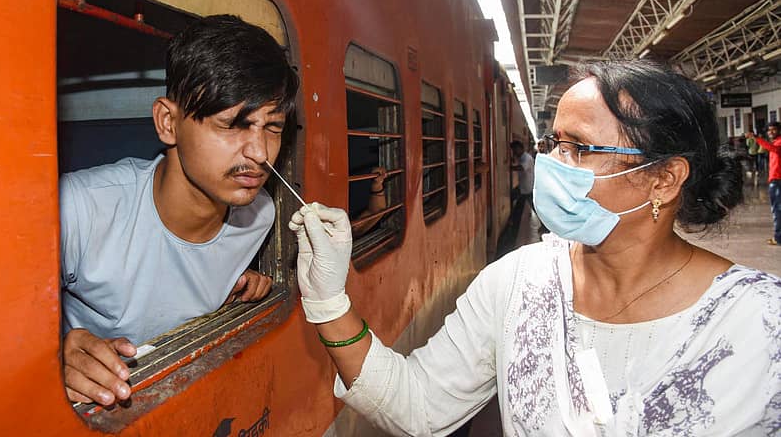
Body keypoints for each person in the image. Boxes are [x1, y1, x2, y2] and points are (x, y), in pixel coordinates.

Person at [291, 60, 780, 435]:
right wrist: (329, 304)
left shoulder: (760, 321)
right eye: (555, 142)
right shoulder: (517, 283)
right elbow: (418, 404)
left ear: (664, 179)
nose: (552, 163)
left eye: (580, 148)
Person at [60, 15, 299, 406]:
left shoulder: (259, 217)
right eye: (233, 125)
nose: (260, 153)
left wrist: (235, 288)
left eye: (273, 128)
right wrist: (51, 354)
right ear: (168, 123)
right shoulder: (81, 210)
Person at [747, 122, 781, 246]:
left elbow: (773, 149)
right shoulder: (775, 142)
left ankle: (778, 238)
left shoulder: (779, 142)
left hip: (778, 181)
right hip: (774, 179)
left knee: (777, 210)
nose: (771, 132)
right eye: (769, 130)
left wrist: (756, 138)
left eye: (774, 130)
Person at [509, 140, 534, 210]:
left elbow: (522, 168)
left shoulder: (527, 158)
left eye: (515, 149)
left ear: (520, 148)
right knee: (519, 205)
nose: (514, 152)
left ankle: (544, 219)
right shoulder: (522, 157)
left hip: (527, 188)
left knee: (533, 206)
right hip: (524, 187)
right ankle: (515, 219)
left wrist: (509, 168)